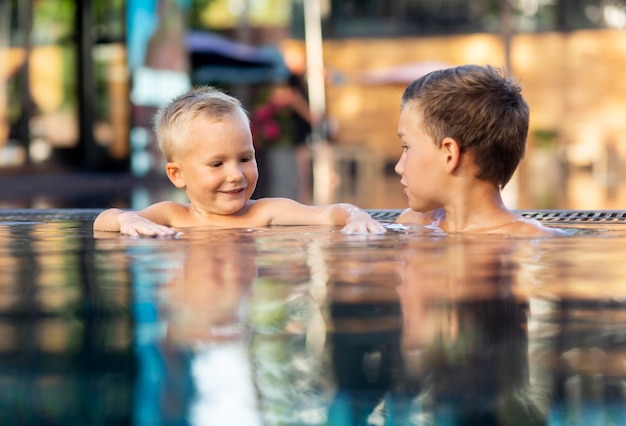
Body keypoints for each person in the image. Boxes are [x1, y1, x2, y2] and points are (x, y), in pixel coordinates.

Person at [93, 86, 385, 236]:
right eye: (217, 164)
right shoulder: (173, 216)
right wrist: (127, 219)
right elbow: (101, 221)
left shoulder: (265, 213)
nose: (236, 174)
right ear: (177, 174)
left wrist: (355, 217)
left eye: (245, 158)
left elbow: (330, 213)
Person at [394, 64, 562, 236]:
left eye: (407, 147)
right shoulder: (413, 223)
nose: (398, 167)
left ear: (449, 154)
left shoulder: (531, 239)